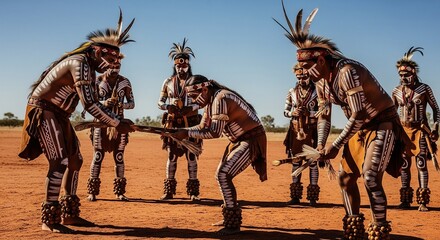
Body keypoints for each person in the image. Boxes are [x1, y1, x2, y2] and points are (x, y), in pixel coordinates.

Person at [274, 2, 405, 239]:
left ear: (321, 60)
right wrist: (322, 144)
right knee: (345, 178)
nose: (303, 72)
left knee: (370, 176)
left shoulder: (347, 72)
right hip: (360, 129)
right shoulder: (321, 81)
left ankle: (380, 229)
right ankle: (354, 228)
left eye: (307, 66)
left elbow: (359, 114)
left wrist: (335, 146)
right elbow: (324, 114)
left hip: (381, 124)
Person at [18, 10, 135, 233]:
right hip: (43, 111)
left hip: (60, 115)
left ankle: (70, 214)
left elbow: (92, 104)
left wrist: (117, 119)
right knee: (60, 161)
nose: (110, 66)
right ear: (97, 51)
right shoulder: (79, 63)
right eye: (109, 60)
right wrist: (116, 123)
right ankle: (49, 218)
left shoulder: (89, 68)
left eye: (114, 62)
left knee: (75, 160)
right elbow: (90, 104)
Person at [171, 74, 267, 235]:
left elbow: (214, 132)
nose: (194, 101)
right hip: (240, 140)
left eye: (195, 96)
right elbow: (202, 127)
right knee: (221, 175)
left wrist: (186, 133)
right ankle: (230, 217)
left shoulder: (220, 98)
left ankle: (232, 223)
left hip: (251, 140)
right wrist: (181, 132)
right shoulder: (212, 101)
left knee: (223, 174)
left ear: (204, 89)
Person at [391, 46, 439, 212]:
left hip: (420, 131)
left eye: (407, 75)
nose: (403, 78)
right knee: (404, 165)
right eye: (401, 75)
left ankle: (423, 201)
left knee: (420, 165)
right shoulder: (396, 91)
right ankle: (405, 200)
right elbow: (391, 112)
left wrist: (435, 128)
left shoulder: (424, 89)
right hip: (403, 132)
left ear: (414, 74)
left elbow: (436, 109)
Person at [157, 38, 203, 201]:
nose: (181, 68)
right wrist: (167, 106)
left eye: (184, 65)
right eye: (178, 65)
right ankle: (169, 190)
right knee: (171, 156)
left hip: (190, 123)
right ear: (174, 66)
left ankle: (193, 192)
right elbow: (159, 101)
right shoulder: (168, 82)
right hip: (172, 123)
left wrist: (191, 108)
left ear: (188, 65)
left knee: (191, 156)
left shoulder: (196, 82)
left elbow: (203, 101)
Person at [87, 53, 135, 202]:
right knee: (97, 156)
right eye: (112, 66)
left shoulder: (125, 82)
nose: (114, 69)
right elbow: (91, 101)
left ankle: (119, 192)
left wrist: (121, 104)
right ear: (106, 65)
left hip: (119, 124)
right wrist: (104, 103)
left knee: (119, 157)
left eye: (117, 66)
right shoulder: (97, 80)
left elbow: (132, 103)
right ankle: (92, 192)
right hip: (100, 124)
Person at [283, 63, 320, 206]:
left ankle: (312, 197)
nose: (301, 80)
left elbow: (323, 113)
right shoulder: (292, 92)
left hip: (311, 131)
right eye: (299, 77)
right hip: (296, 131)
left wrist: (308, 113)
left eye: (304, 77)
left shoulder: (318, 91)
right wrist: (293, 113)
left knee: (312, 163)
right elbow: (285, 111)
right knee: (296, 161)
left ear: (310, 76)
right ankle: (295, 196)